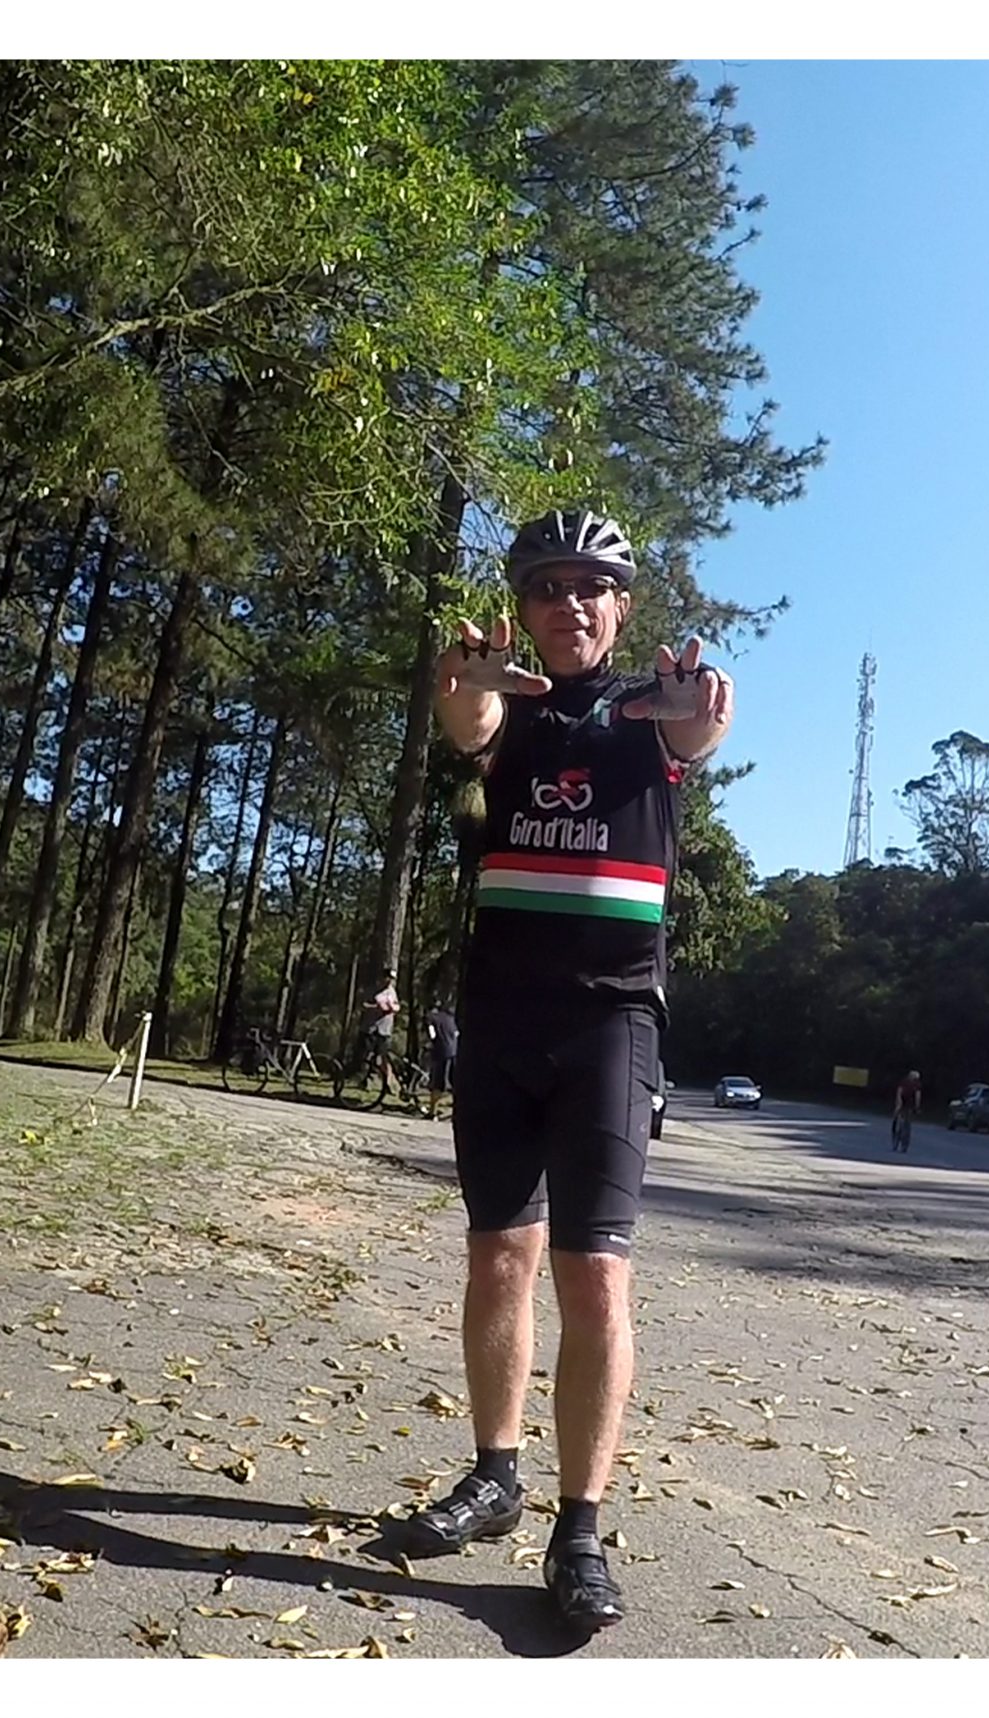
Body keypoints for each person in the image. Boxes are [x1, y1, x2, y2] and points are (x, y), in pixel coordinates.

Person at [402, 508, 733, 1634]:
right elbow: (469, 720)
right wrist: (461, 684)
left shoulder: (650, 711)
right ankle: (495, 1474)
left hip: (611, 1023)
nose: (568, 603)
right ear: (526, 606)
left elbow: (697, 731)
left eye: (590, 586)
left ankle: (577, 1528)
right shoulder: (512, 704)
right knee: (499, 1254)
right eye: (547, 586)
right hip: (501, 1016)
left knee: (594, 1276)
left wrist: (697, 712)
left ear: (620, 607)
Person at [355, 968, 401, 1102]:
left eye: (392, 979)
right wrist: (375, 1007)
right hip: (371, 1028)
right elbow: (363, 1005)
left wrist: (394, 1008)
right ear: (383, 977)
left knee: (383, 1058)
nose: (389, 981)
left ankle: (389, 1084)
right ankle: (367, 1080)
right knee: (368, 1056)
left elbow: (396, 1005)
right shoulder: (372, 990)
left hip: (385, 1030)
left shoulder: (392, 991)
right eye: (388, 978)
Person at [423, 999, 458, 1120]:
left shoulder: (430, 1018)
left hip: (441, 1052)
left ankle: (432, 1112)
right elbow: (456, 1034)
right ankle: (457, 1110)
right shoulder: (450, 1018)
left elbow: (432, 1035)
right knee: (455, 1083)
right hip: (454, 1051)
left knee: (438, 1084)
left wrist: (429, 1045)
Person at [892, 1068, 923, 1152]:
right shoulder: (916, 1084)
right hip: (909, 1105)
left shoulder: (904, 1081)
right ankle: (904, 1145)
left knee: (899, 1122)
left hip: (903, 1104)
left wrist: (898, 1103)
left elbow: (899, 1092)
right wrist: (917, 1107)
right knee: (907, 1125)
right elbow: (917, 1097)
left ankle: (896, 1140)